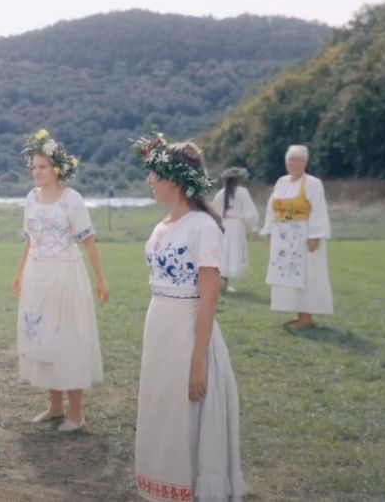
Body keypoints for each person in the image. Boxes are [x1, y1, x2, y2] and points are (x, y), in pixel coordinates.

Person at [131, 132, 244, 502]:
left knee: (185, 412)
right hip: (159, 323)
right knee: (160, 408)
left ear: (176, 179)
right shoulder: (161, 226)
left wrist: (198, 362)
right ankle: (160, 482)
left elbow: (209, 299)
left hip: (188, 328)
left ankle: (189, 486)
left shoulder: (202, 227)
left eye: (155, 174)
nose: (149, 181)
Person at [12, 130, 108, 432]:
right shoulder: (30, 199)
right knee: (42, 337)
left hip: (65, 275)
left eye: (42, 166)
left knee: (68, 338)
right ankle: (54, 406)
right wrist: (19, 273)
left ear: (57, 169)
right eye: (33, 166)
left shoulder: (71, 200)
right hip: (37, 275)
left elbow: (88, 241)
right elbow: (29, 240)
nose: (36, 171)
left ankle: (76, 414)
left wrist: (100, 281)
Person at [261, 145, 332, 328]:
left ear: (305, 162)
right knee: (287, 275)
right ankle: (298, 313)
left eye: (297, 160)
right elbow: (272, 208)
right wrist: (268, 231)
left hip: (302, 236)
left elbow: (318, 209)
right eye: (290, 160)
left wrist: (316, 235)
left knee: (306, 275)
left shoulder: (312, 183)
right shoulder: (282, 182)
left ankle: (306, 316)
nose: (292, 163)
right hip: (282, 238)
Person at [211, 168, 259, 293]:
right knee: (231, 254)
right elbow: (250, 211)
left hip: (224, 225)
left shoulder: (221, 193)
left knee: (224, 254)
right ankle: (223, 284)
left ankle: (223, 284)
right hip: (236, 227)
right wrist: (254, 228)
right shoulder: (243, 192)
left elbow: (215, 211)